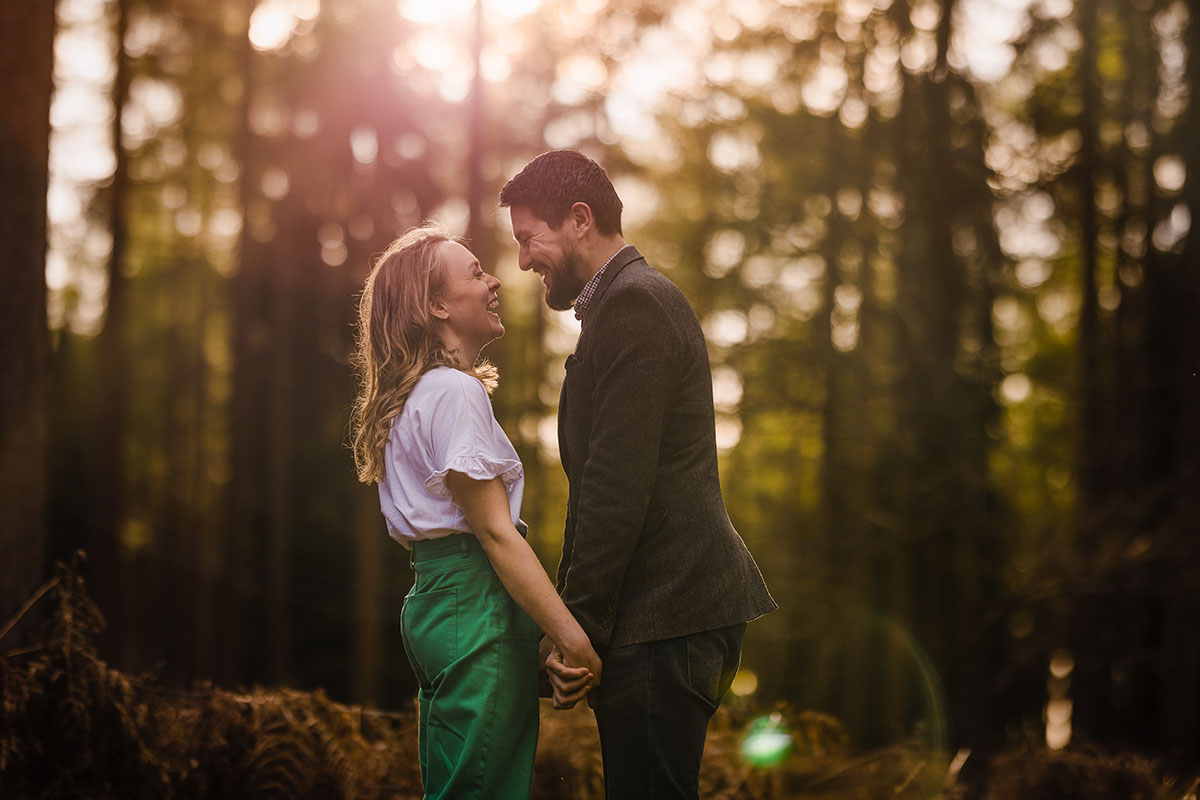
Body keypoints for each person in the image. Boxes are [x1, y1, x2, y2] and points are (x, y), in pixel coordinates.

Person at [500, 150, 778, 800]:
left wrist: (577, 630)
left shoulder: (635, 307)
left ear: (578, 219)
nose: (521, 260)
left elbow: (615, 489)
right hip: (661, 614)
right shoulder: (622, 306)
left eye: (527, 238)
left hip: (666, 613)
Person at [349, 225, 602, 800]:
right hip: (473, 600)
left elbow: (428, 535)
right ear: (436, 305)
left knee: (458, 782)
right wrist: (571, 637)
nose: (493, 281)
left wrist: (530, 648)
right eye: (474, 273)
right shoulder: (454, 393)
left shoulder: (413, 400)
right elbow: (492, 533)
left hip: (436, 602)